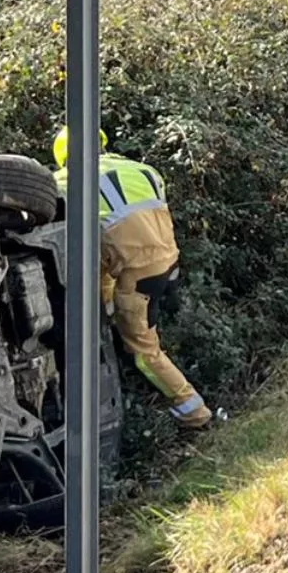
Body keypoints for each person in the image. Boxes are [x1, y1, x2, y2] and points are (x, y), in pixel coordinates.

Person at [52, 126, 211, 429]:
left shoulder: (65, 181)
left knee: (143, 352)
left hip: (137, 278)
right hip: (169, 263)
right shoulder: (142, 169)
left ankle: (194, 414)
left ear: (63, 158)